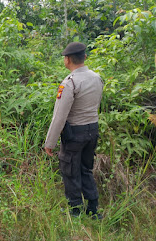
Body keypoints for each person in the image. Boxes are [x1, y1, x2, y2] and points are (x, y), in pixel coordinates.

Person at [44, 42, 103, 219]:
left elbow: (59, 117)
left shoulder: (70, 83)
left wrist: (50, 142)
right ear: (84, 57)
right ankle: (93, 209)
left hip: (75, 133)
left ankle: (75, 210)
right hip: (93, 129)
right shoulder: (97, 78)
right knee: (86, 169)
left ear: (67, 60)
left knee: (70, 170)